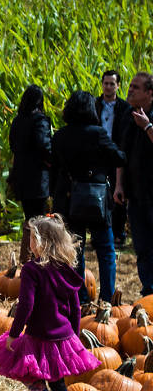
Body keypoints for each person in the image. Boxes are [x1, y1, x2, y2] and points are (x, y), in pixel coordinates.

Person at [0, 215, 100, 391]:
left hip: (38, 334)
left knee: (15, 360)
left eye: (31, 237)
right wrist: (74, 334)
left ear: (41, 242)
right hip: (63, 335)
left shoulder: (32, 269)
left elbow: (26, 305)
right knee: (59, 383)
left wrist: (14, 334)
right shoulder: (67, 269)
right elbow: (75, 307)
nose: (28, 241)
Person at [50, 90, 125, 303]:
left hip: (69, 199)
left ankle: (80, 298)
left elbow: (54, 170)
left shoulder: (60, 136)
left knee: (75, 251)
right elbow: (119, 157)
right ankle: (107, 298)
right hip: (97, 199)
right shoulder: (97, 133)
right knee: (106, 251)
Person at [114, 72, 153, 297]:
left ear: (149, 93)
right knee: (142, 246)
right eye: (129, 86)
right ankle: (148, 292)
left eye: (135, 88)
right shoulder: (129, 116)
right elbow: (122, 154)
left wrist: (147, 126)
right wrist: (119, 185)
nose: (129, 91)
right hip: (137, 194)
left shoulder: (148, 117)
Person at [96, 70, 132, 246]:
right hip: (99, 156)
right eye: (106, 83)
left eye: (112, 83)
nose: (108, 86)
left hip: (117, 154)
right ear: (101, 84)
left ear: (118, 85)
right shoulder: (95, 105)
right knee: (99, 194)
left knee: (119, 195)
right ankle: (100, 234)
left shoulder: (124, 108)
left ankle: (118, 234)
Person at [8, 85, 53, 221]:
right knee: (39, 219)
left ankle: (29, 242)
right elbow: (44, 145)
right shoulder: (40, 120)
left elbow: (13, 145)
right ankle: (36, 243)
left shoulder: (17, 120)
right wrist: (52, 161)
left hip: (21, 175)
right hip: (37, 177)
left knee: (29, 218)